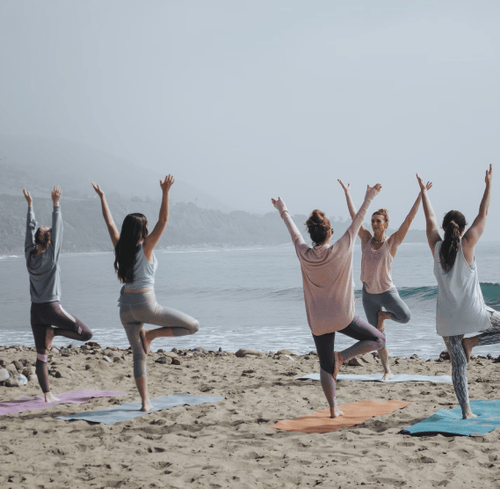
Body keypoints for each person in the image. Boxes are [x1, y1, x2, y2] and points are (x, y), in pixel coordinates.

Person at [271, 184, 385, 418]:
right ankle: (342, 357)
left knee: (324, 365)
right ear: (330, 232)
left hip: (318, 321)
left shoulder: (303, 253)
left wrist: (282, 209)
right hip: (343, 317)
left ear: (312, 235)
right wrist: (370, 196)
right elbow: (359, 219)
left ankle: (333, 410)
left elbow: (293, 232)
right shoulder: (341, 248)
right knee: (378, 339)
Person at [91, 175, 199, 412]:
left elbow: (109, 223)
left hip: (124, 309)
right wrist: (166, 192)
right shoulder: (146, 247)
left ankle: (145, 402)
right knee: (192, 326)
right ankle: (151, 335)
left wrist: (103, 197)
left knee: (138, 357)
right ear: (143, 229)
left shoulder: (121, 248)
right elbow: (164, 220)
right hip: (146, 305)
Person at [417, 165, 500, 419]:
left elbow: (429, 221)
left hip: (448, 319)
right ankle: (473, 341)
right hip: (474, 314)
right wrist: (488, 185)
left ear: (444, 229)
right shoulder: (468, 244)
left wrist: (424, 193)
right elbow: (483, 213)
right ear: (462, 229)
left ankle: (466, 412)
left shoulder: (436, 247)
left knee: (459, 366)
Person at [338, 180, 432, 380]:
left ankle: (384, 317)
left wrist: (420, 195)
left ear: (386, 223)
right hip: (368, 295)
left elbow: (409, 219)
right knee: (378, 338)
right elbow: (356, 217)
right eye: (372, 221)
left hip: (387, 292)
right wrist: (347, 193)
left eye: (378, 221)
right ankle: (387, 370)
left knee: (405, 316)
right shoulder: (364, 239)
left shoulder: (392, 242)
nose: (373, 224)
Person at [23, 186, 93, 402]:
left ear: (35, 241)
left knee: (41, 355)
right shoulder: (52, 257)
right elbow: (58, 228)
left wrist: (30, 207)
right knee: (86, 334)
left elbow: (29, 229)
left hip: (36, 312)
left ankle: (47, 395)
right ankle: (55, 333)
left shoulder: (28, 254)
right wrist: (56, 204)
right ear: (50, 243)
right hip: (52, 309)